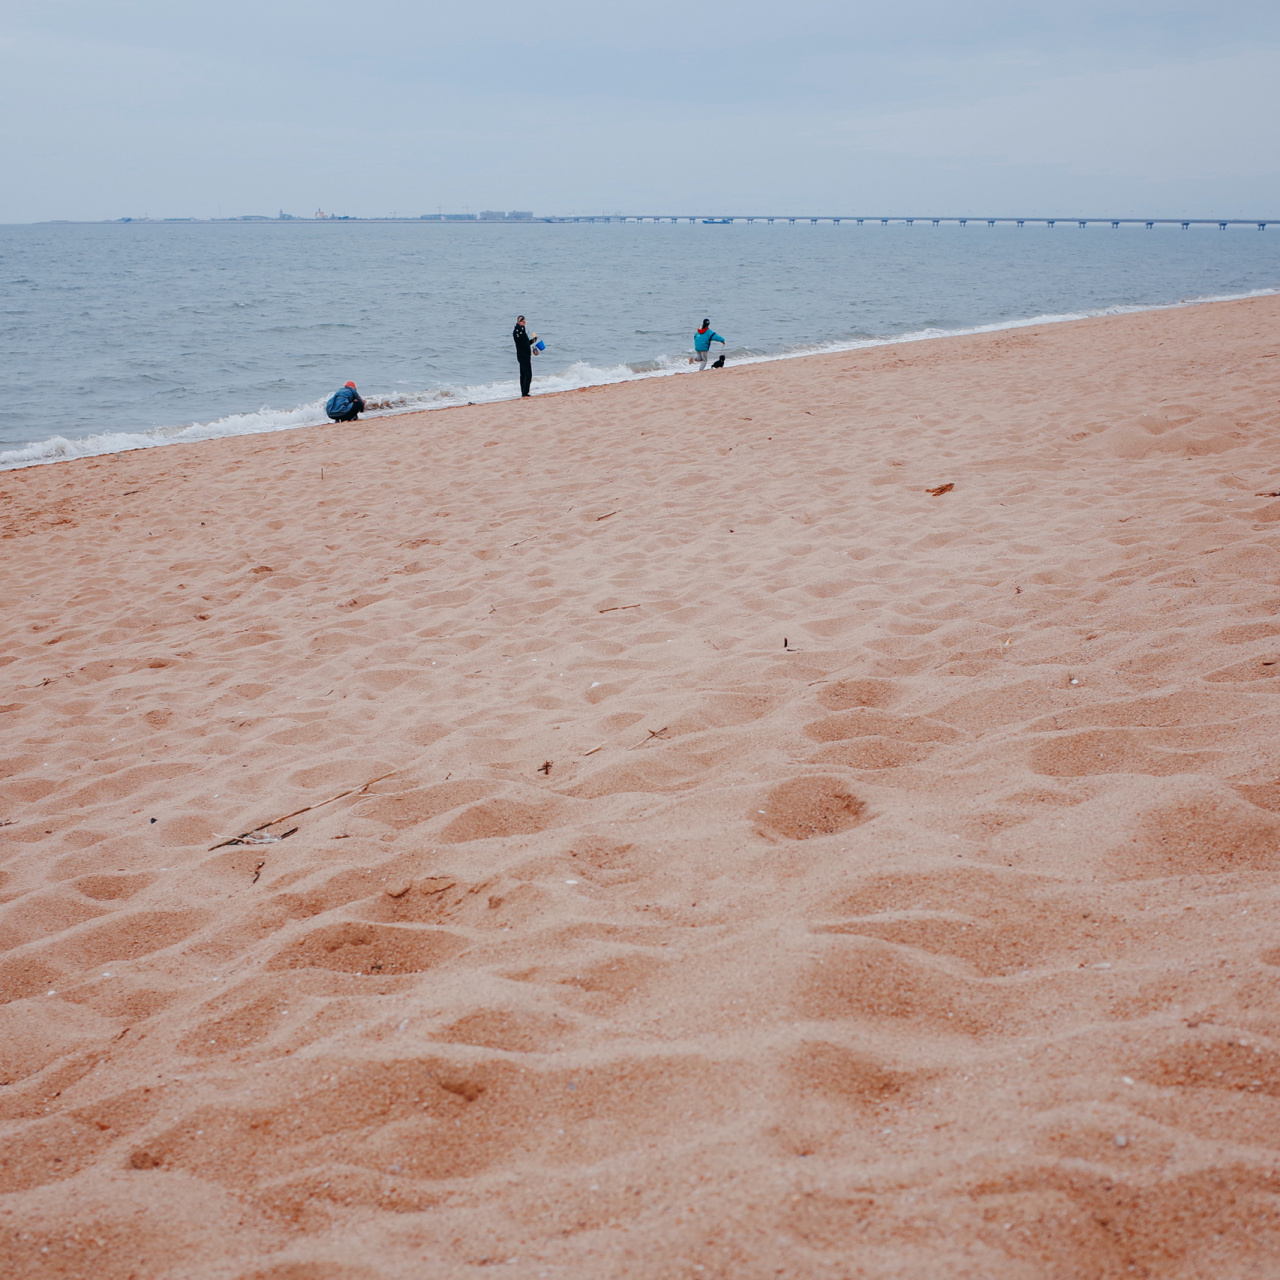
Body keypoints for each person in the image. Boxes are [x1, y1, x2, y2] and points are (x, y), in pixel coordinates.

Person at [513, 315, 537, 398]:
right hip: (522, 355)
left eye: (524, 321)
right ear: (519, 322)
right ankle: (525, 392)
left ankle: (524, 392)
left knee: (524, 374)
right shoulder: (517, 331)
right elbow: (520, 343)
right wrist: (521, 329)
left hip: (526, 355)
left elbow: (526, 343)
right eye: (522, 321)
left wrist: (533, 341)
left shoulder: (523, 331)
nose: (524, 322)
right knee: (527, 374)